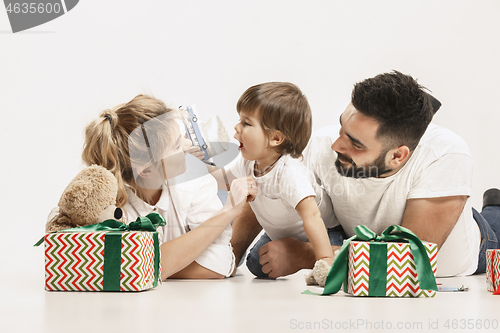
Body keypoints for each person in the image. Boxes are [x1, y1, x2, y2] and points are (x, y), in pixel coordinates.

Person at [230, 71, 500, 278]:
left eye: (356, 144)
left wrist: (308, 255)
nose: (336, 146)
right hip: (357, 244)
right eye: (341, 128)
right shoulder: (323, 145)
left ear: (398, 156)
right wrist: (230, 257)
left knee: (495, 226)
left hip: (470, 251)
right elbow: (267, 184)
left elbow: (409, 262)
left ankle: (494, 209)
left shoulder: (445, 155)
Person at [81, 94, 257, 280]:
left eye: (182, 137)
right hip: (195, 217)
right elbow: (112, 265)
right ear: (146, 171)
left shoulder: (195, 180)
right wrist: (159, 267)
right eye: (176, 145)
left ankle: (228, 189)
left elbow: (222, 263)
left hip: (206, 196)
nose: (188, 145)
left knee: (241, 214)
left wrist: (152, 266)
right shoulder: (111, 209)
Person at [210, 82, 337, 278]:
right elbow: (224, 181)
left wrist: (325, 261)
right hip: (280, 232)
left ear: (276, 139)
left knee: (324, 255)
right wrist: (201, 163)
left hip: (325, 232)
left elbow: (312, 216)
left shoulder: (289, 173)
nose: (236, 127)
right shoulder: (248, 162)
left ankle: (330, 257)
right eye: (239, 120)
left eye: (247, 123)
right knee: (256, 264)